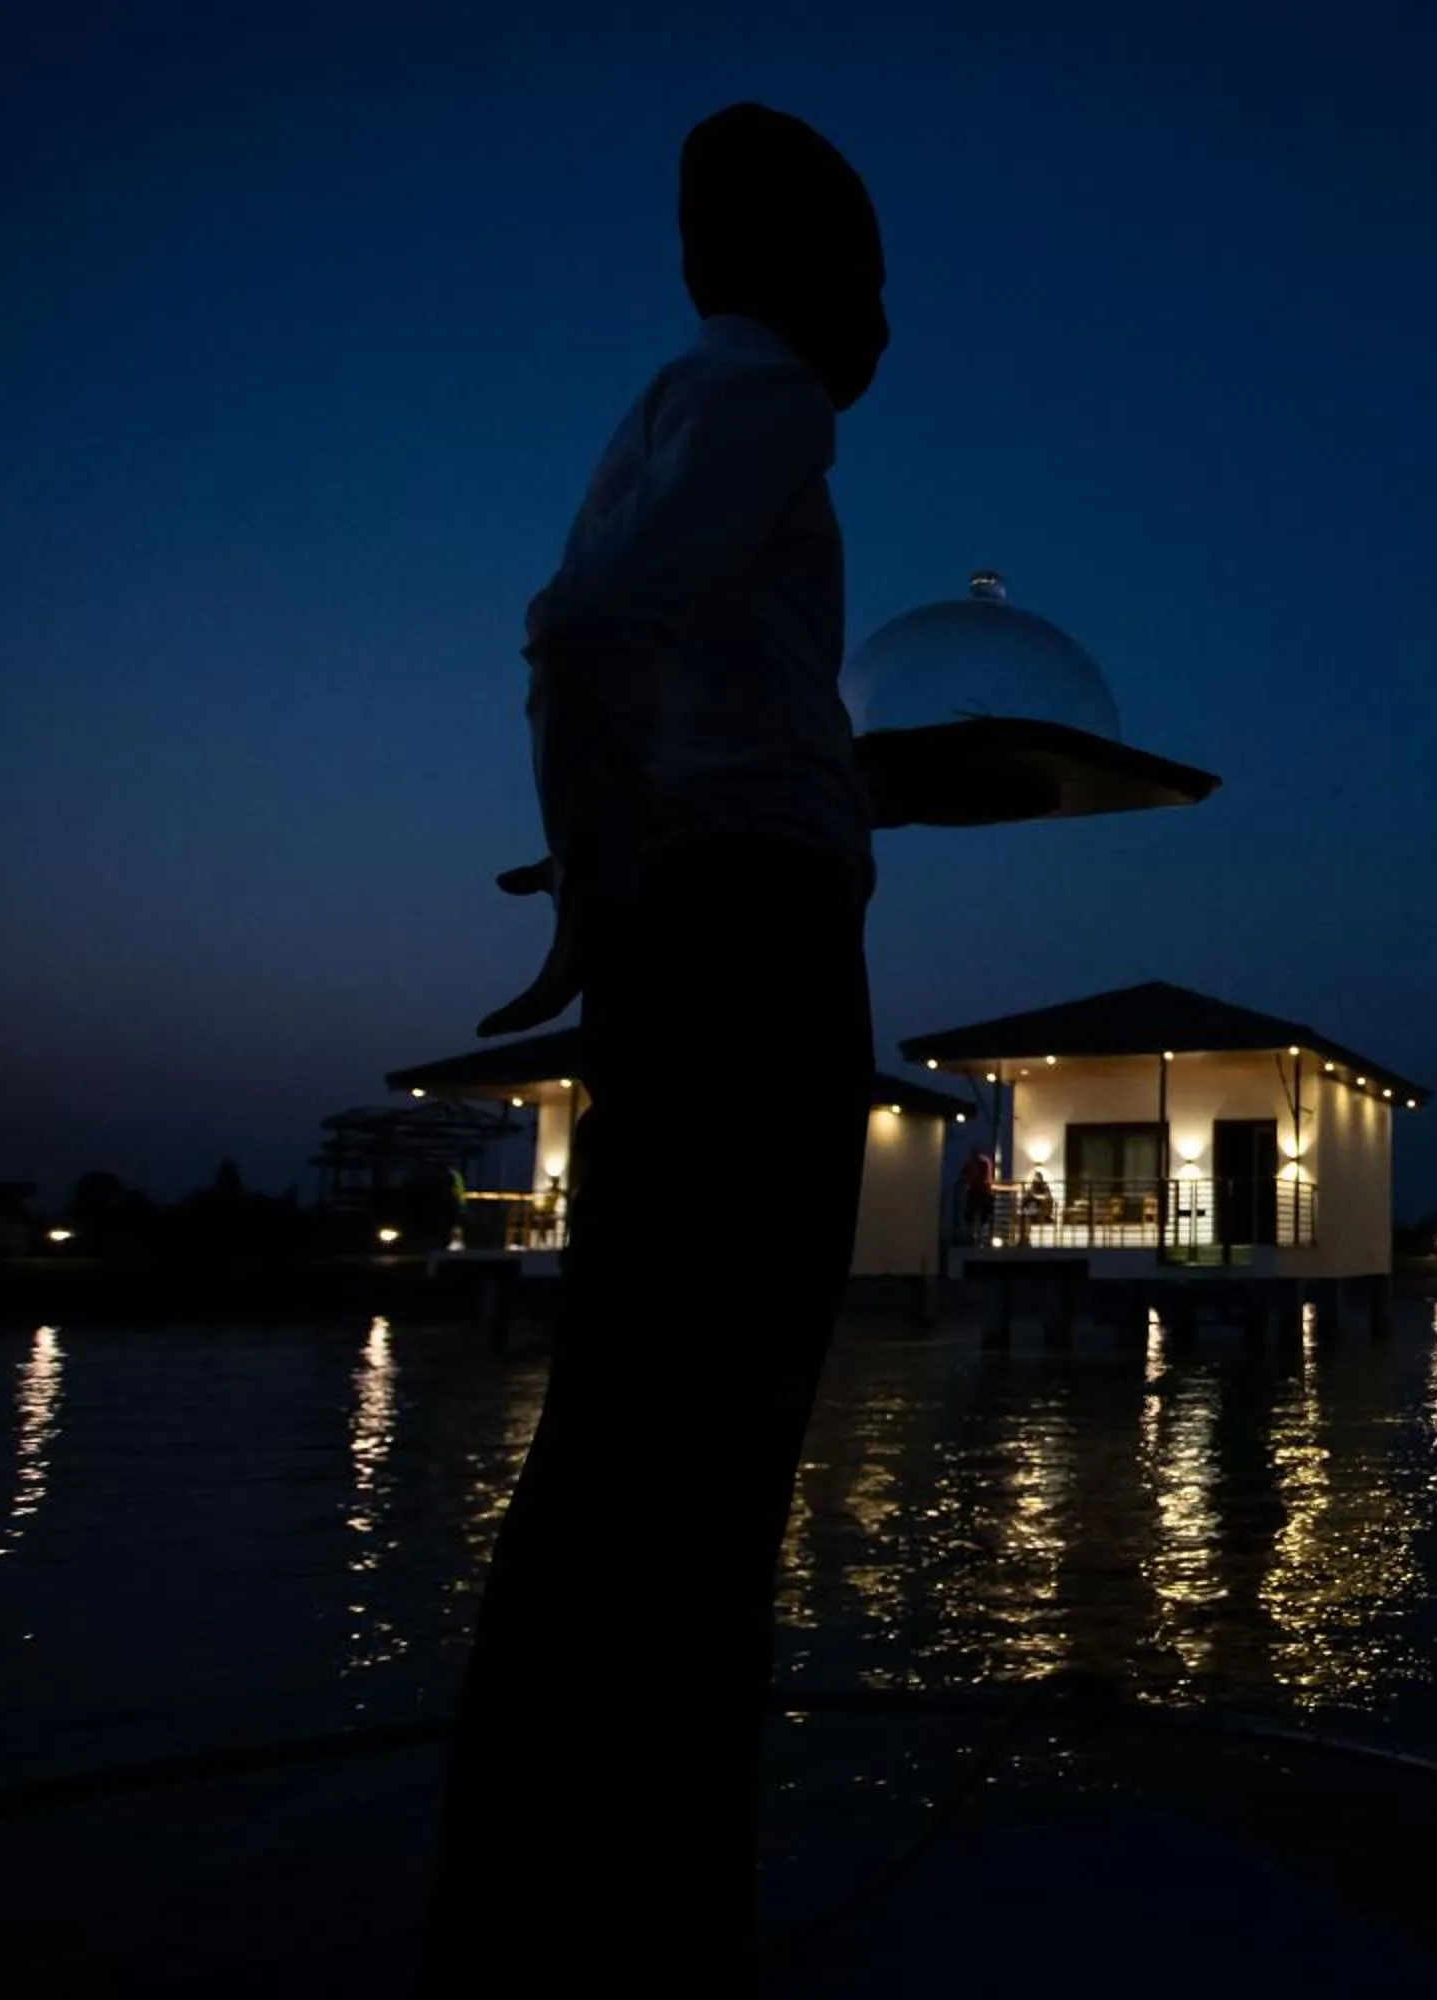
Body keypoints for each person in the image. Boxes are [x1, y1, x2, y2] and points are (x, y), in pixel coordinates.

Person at [423, 103, 890, 1994]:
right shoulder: (774, 399)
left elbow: (574, 636)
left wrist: (599, 886)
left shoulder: (661, 415)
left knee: (632, 1413)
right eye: (871, 269)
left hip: (692, 917)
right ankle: (653, 1906)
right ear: (798, 272)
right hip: (759, 936)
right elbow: (600, 622)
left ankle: (543, 1887)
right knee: (717, 1424)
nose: (888, 317)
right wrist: (650, 863)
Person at [961, 1145, 995, 1244]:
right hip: (975, 1191)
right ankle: (974, 1236)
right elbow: (964, 1175)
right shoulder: (972, 1164)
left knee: (982, 1214)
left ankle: (980, 1236)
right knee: (973, 1214)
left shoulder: (982, 1163)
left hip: (981, 1191)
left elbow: (986, 1177)